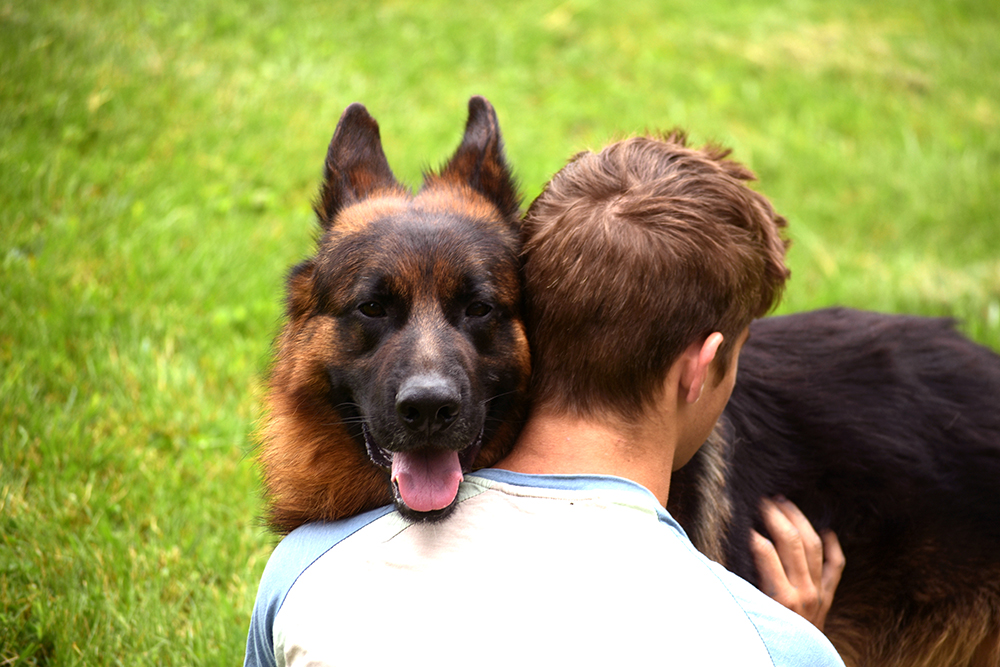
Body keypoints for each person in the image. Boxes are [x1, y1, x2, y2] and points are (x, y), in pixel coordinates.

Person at [244, 133, 846, 666]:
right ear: (704, 367)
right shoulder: (774, 646)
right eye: (373, 308)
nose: (428, 380)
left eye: (479, 308)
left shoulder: (300, 577)